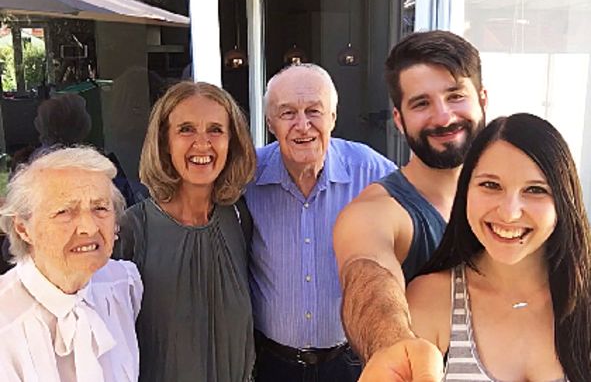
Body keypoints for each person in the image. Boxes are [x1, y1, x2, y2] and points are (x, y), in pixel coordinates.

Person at [362, 113, 591, 381]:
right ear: (465, 191)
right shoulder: (431, 297)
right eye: (490, 185)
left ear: (564, 199)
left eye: (535, 190)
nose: (509, 213)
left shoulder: (584, 297)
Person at [333, 30, 487, 379]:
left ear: (482, 99)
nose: (443, 117)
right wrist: (393, 345)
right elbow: (368, 278)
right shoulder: (377, 211)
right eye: (421, 104)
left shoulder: (515, 202)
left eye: (455, 96)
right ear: (399, 120)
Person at [245, 63, 396, 381]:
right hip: (271, 364)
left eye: (314, 111)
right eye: (288, 113)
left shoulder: (373, 173)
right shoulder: (247, 179)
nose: (303, 126)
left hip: (350, 362)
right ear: (270, 123)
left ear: (333, 118)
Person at [114, 81, 257, 382]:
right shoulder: (133, 230)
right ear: (164, 142)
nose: (202, 144)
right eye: (186, 129)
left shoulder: (239, 219)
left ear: (231, 141)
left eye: (215, 130)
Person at [0, 147, 142, 382]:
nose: (89, 228)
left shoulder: (123, 284)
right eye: (64, 212)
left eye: (100, 208)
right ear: (23, 229)